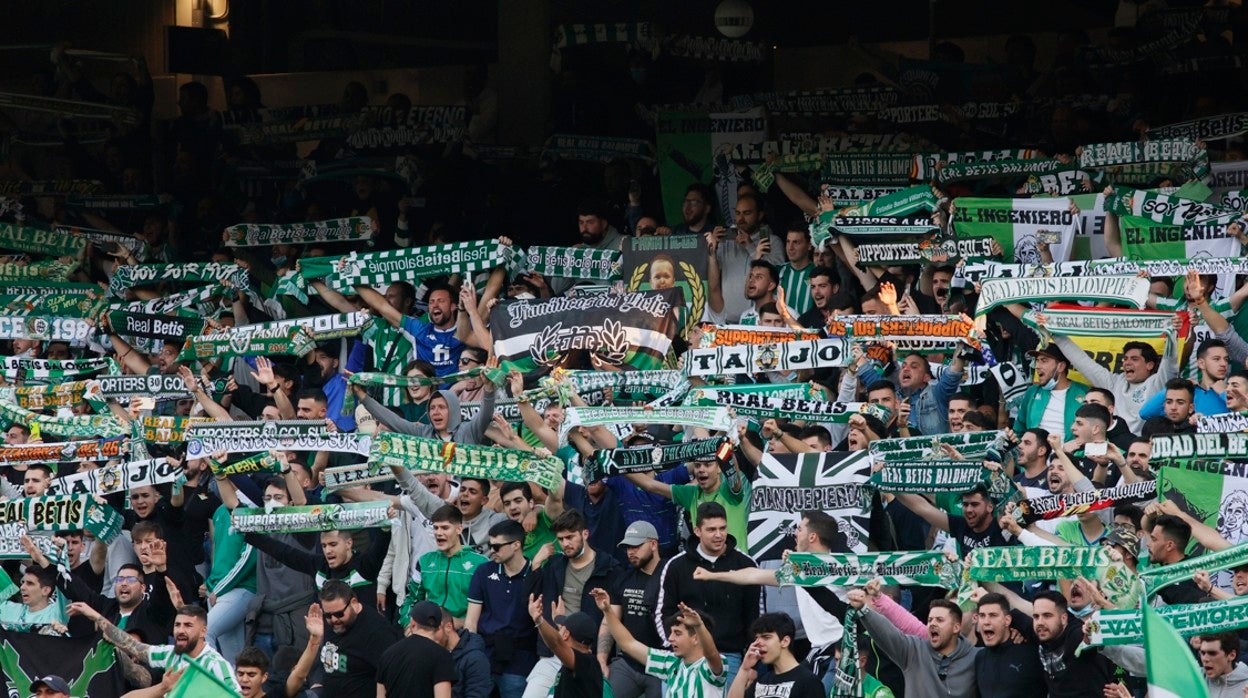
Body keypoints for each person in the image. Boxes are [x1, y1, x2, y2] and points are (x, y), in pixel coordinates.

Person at [691, 511, 847, 690]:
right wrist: (712, 575)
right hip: (817, 651)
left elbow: (868, 601)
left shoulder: (841, 567)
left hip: (840, 651)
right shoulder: (797, 569)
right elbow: (754, 575)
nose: (795, 533)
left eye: (799, 529)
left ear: (812, 536)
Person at [655, 502, 760, 687]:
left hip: (730, 657)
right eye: (711, 529)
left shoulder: (746, 564)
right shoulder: (676, 566)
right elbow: (663, 612)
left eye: (722, 528)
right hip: (685, 656)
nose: (719, 535)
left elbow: (755, 618)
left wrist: (752, 664)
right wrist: (674, 645)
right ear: (697, 531)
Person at [525, 509, 621, 698]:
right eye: (560, 539)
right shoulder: (554, 565)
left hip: (586, 653)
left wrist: (601, 657)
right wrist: (536, 564)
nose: (565, 544)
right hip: (553, 650)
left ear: (585, 533)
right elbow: (528, 600)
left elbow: (610, 618)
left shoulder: (609, 568)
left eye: (570, 537)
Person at [68, 603, 242, 691]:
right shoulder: (170, 654)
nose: (180, 631)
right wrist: (95, 616)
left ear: (204, 631)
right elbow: (133, 646)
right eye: (178, 625)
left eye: (188, 626)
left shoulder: (216, 664)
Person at [593, 588, 725, 698]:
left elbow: (712, 654)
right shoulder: (671, 662)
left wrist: (699, 626)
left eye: (677, 633)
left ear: (696, 638)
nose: (670, 639)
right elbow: (629, 644)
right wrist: (608, 611)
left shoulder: (714, 665)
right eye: (671, 633)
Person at [848, 592, 977, 698]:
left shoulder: (976, 658)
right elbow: (889, 634)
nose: (932, 624)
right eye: (930, 620)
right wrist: (864, 610)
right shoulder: (913, 651)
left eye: (940, 620)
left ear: (956, 627)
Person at [466, 520, 538, 698]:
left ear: (516, 545)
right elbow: (471, 621)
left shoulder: (535, 574)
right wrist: (472, 654)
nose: (492, 551)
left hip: (521, 658)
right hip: (486, 653)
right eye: (490, 545)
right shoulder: (483, 571)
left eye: (497, 547)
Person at [601, 521, 664, 698]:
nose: (631, 552)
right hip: (627, 663)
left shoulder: (671, 573)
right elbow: (608, 621)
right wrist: (601, 659)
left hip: (663, 664)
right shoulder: (624, 579)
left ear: (653, 544)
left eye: (636, 546)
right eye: (628, 547)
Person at [317, 581, 402, 697]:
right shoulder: (331, 621)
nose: (334, 619)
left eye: (339, 614)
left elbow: (395, 676)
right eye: (327, 615)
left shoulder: (377, 632)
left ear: (354, 603)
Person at [412, 504, 488, 624]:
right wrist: (408, 625)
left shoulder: (481, 563)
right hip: (430, 630)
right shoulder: (424, 561)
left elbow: (491, 607)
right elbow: (412, 599)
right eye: (436, 528)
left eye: (445, 528)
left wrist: (462, 623)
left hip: (465, 633)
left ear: (459, 529)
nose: (438, 533)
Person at [1030, 590, 1113, 697]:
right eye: (1036, 617)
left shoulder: (1075, 634)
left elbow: (1087, 637)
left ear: (1064, 618)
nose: (1040, 622)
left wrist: (1089, 635)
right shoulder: (1042, 632)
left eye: (1047, 616)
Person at [529, 594, 608, 698]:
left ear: (566, 634)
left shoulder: (584, 663)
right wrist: (557, 618)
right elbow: (562, 639)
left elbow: (556, 642)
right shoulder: (589, 661)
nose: (559, 629)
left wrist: (539, 620)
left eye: (562, 628)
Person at [727, 613, 823, 698]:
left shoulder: (808, 682)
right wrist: (744, 668)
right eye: (757, 638)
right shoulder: (761, 681)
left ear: (785, 641)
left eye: (766, 637)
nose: (758, 643)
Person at [376, 600, 458, 698]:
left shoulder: (387, 655)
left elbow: (380, 695)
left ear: (412, 624)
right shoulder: (442, 656)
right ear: (439, 628)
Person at [972, 593, 1045, 698]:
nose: (986, 622)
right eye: (982, 616)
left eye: (993, 615)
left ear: (1007, 620)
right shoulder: (979, 657)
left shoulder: (1031, 653)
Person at [1012, 344, 1088, 441]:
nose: (1037, 366)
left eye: (1044, 361)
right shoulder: (1032, 392)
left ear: (1061, 366)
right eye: (1037, 361)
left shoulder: (1084, 392)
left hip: (1070, 455)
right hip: (1036, 454)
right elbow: (1019, 430)